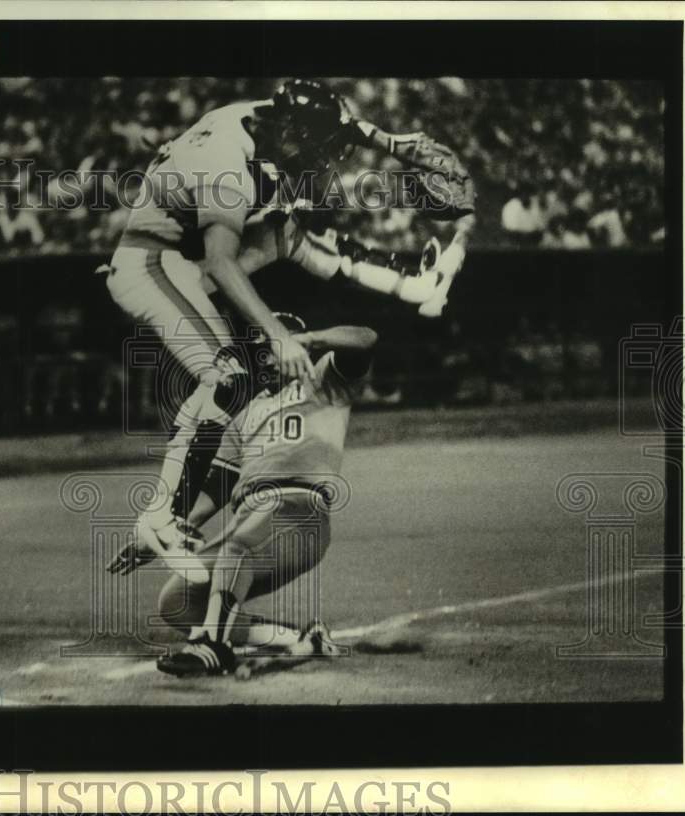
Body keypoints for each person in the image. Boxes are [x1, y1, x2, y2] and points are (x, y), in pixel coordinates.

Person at [103, 78, 475, 576]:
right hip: (153, 264)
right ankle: (163, 516)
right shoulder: (226, 163)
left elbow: (339, 124)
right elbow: (220, 264)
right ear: (288, 131)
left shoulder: (271, 116)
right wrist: (277, 334)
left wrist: (391, 142)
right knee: (230, 375)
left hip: (180, 262)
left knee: (288, 235)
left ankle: (414, 282)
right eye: (313, 148)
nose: (318, 159)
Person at [110, 317, 377, 676]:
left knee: (239, 546)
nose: (266, 359)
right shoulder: (244, 409)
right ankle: (297, 639)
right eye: (261, 351)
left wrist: (307, 340)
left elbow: (365, 337)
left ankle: (213, 646)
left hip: (299, 511)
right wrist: (169, 531)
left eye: (269, 347)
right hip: (251, 520)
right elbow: (220, 485)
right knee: (177, 602)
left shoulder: (324, 379)